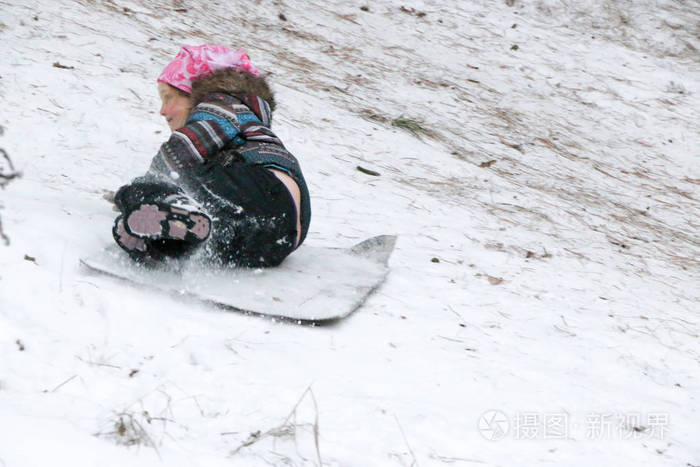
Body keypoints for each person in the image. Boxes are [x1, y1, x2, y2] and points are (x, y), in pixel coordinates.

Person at [112, 45, 311, 267]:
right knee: (212, 232)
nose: (163, 110)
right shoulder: (248, 117)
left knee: (169, 183)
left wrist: (139, 193)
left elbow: (179, 155)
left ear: (193, 94)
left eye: (168, 98)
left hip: (259, 185)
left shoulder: (220, 104)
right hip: (284, 234)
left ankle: (160, 212)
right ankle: (165, 244)